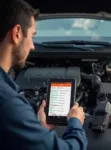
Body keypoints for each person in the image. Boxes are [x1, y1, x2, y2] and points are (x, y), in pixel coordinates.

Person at [0, 0, 88, 150]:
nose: (33, 46)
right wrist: (75, 123)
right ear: (17, 33)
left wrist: (37, 129)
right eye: (32, 37)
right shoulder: (8, 103)